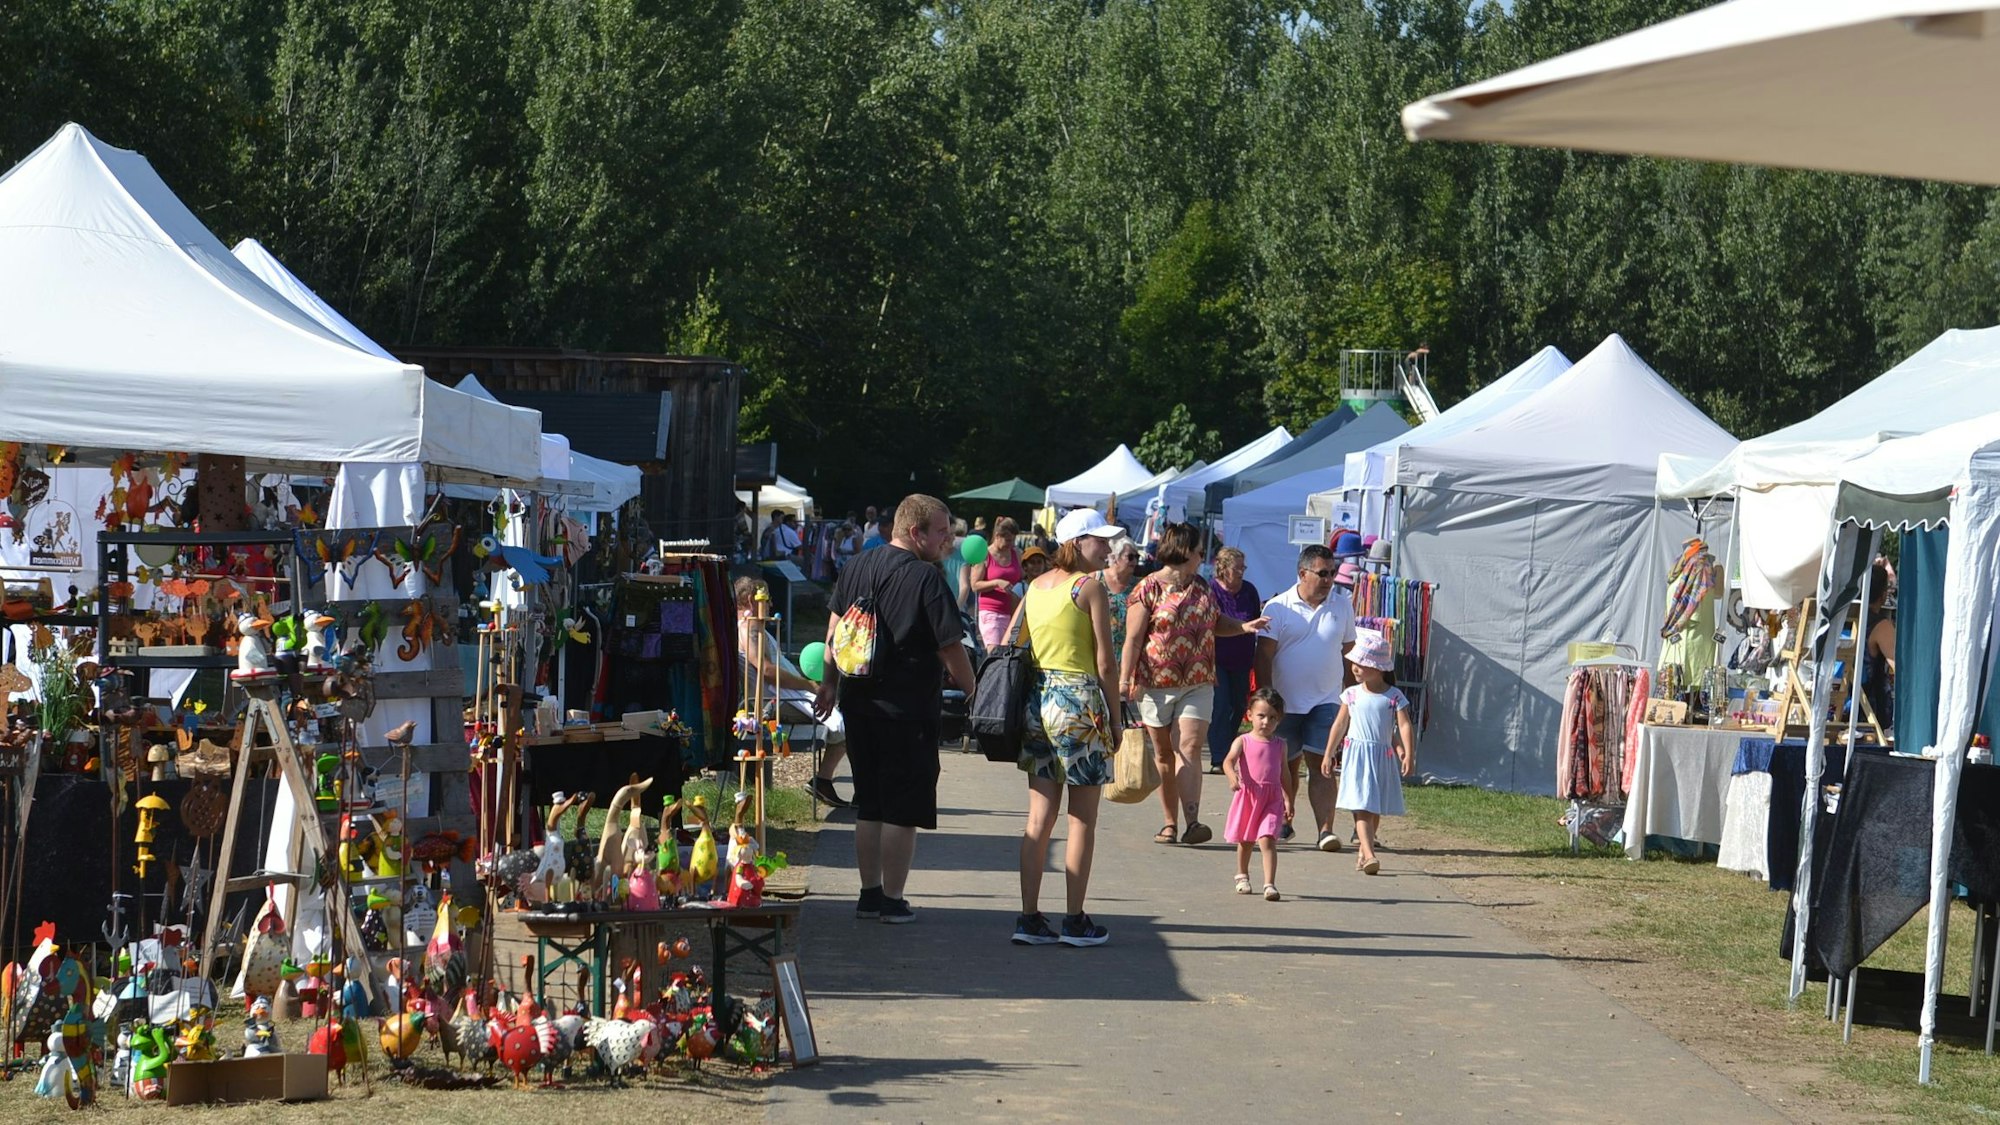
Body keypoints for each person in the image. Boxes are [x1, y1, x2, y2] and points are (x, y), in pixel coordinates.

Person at [816, 495, 975, 924]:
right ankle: (892, 899)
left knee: (869, 804)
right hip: (906, 709)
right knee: (902, 810)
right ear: (914, 532)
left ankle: (868, 895)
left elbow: (833, 633)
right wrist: (974, 689)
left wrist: (829, 685)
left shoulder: (857, 566)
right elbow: (950, 647)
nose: (947, 540)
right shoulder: (926, 579)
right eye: (940, 532)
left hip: (858, 701)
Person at [1010, 506, 1125, 948]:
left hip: (1040, 701)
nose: (1108, 547)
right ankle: (1074, 919)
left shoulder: (1036, 585)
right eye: (1100, 539)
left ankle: (1028, 917)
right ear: (1078, 542)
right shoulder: (1089, 587)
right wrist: (1116, 720)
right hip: (1080, 704)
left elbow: (1013, 642)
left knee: (1038, 818)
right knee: (1083, 819)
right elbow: (1105, 663)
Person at [1121, 522, 1267, 847]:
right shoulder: (1147, 588)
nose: (1203, 556)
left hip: (1199, 681)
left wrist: (1244, 627)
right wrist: (1124, 679)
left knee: (1188, 746)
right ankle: (1169, 823)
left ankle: (1192, 822)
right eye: (1200, 550)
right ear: (1184, 551)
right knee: (1164, 754)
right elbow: (1132, 639)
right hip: (1156, 682)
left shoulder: (1201, 586)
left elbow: (1217, 624)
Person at [1255, 544, 1357, 852]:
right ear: (1303, 573)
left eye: (1332, 574)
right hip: (1284, 704)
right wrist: (1266, 700)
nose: (1329, 580)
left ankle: (1325, 830)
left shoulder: (1343, 606)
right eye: (1323, 573)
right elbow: (1263, 656)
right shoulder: (1277, 607)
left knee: (1321, 764)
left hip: (1327, 701)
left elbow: (1349, 654)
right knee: (1285, 766)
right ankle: (1284, 818)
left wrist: (1352, 700)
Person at [735, 577, 851, 808]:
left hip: (777, 696)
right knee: (847, 721)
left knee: (844, 714)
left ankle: (825, 781)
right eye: (766, 599)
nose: (770, 605)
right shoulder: (749, 628)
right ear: (751, 600)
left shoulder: (753, 627)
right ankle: (823, 780)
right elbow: (767, 671)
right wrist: (809, 686)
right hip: (770, 702)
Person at [1321, 631, 1413, 875]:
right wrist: (1329, 752)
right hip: (1357, 757)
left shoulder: (1394, 696)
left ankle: (1364, 848)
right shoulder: (1351, 694)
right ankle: (1370, 854)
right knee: (1362, 805)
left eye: (1362, 664)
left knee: (1374, 807)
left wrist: (1405, 751)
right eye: (1354, 663)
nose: (1355, 668)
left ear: (1378, 668)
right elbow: (1340, 724)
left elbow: (1401, 725)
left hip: (1381, 757)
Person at [1224, 688, 1288, 901]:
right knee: (1246, 839)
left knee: (1268, 838)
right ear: (1250, 715)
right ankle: (1242, 875)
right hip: (1249, 796)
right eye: (1261, 716)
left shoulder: (1280, 745)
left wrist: (1289, 798)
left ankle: (1270, 884)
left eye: (1272, 718)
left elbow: (1285, 772)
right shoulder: (1243, 741)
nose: (1266, 722)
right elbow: (1228, 760)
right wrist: (1232, 776)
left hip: (1272, 798)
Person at [1208, 546, 1260, 773]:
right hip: (1216, 658)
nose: (1241, 572)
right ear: (1222, 568)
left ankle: (1229, 749)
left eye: (1243, 567)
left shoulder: (1249, 590)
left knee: (1239, 705)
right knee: (1220, 705)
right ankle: (1219, 757)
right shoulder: (1211, 591)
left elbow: (1255, 619)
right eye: (1236, 567)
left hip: (1243, 658)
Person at [970, 516, 1024, 648]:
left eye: (1013, 540)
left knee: (1009, 656)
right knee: (995, 656)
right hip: (992, 612)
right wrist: (996, 583)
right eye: (1008, 540)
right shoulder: (984, 554)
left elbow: (1021, 576)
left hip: (1013, 611)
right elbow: (974, 585)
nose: (1011, 544)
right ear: (997, 535)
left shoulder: (1015, 553)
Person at [1094, 536, 1140, 677]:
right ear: (1115, 557)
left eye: (1137, 557)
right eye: (1130, 557)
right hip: (1099, 650)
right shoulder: (1095, 579)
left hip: (1127, 653)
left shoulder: (1139, 586)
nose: (1135, 561)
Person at [1862, 560, 1896, 728]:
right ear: (1883, 595)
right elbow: (1898, 664)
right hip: (1870, 712)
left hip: (1837, 705)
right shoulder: (1881, 626)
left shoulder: (1842, 620)